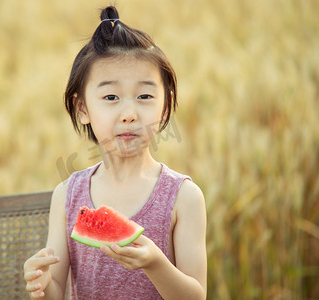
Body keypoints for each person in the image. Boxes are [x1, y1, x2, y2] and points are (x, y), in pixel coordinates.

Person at [23, 5, 207, 300]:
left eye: (145, 96)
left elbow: (196, 297)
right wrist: (43, 284)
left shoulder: (183, 197)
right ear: (82, 108)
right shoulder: (68, 196)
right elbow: (56, 292)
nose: (129, 113)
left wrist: (156, 264)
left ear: (166, 107)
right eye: (111, 97)